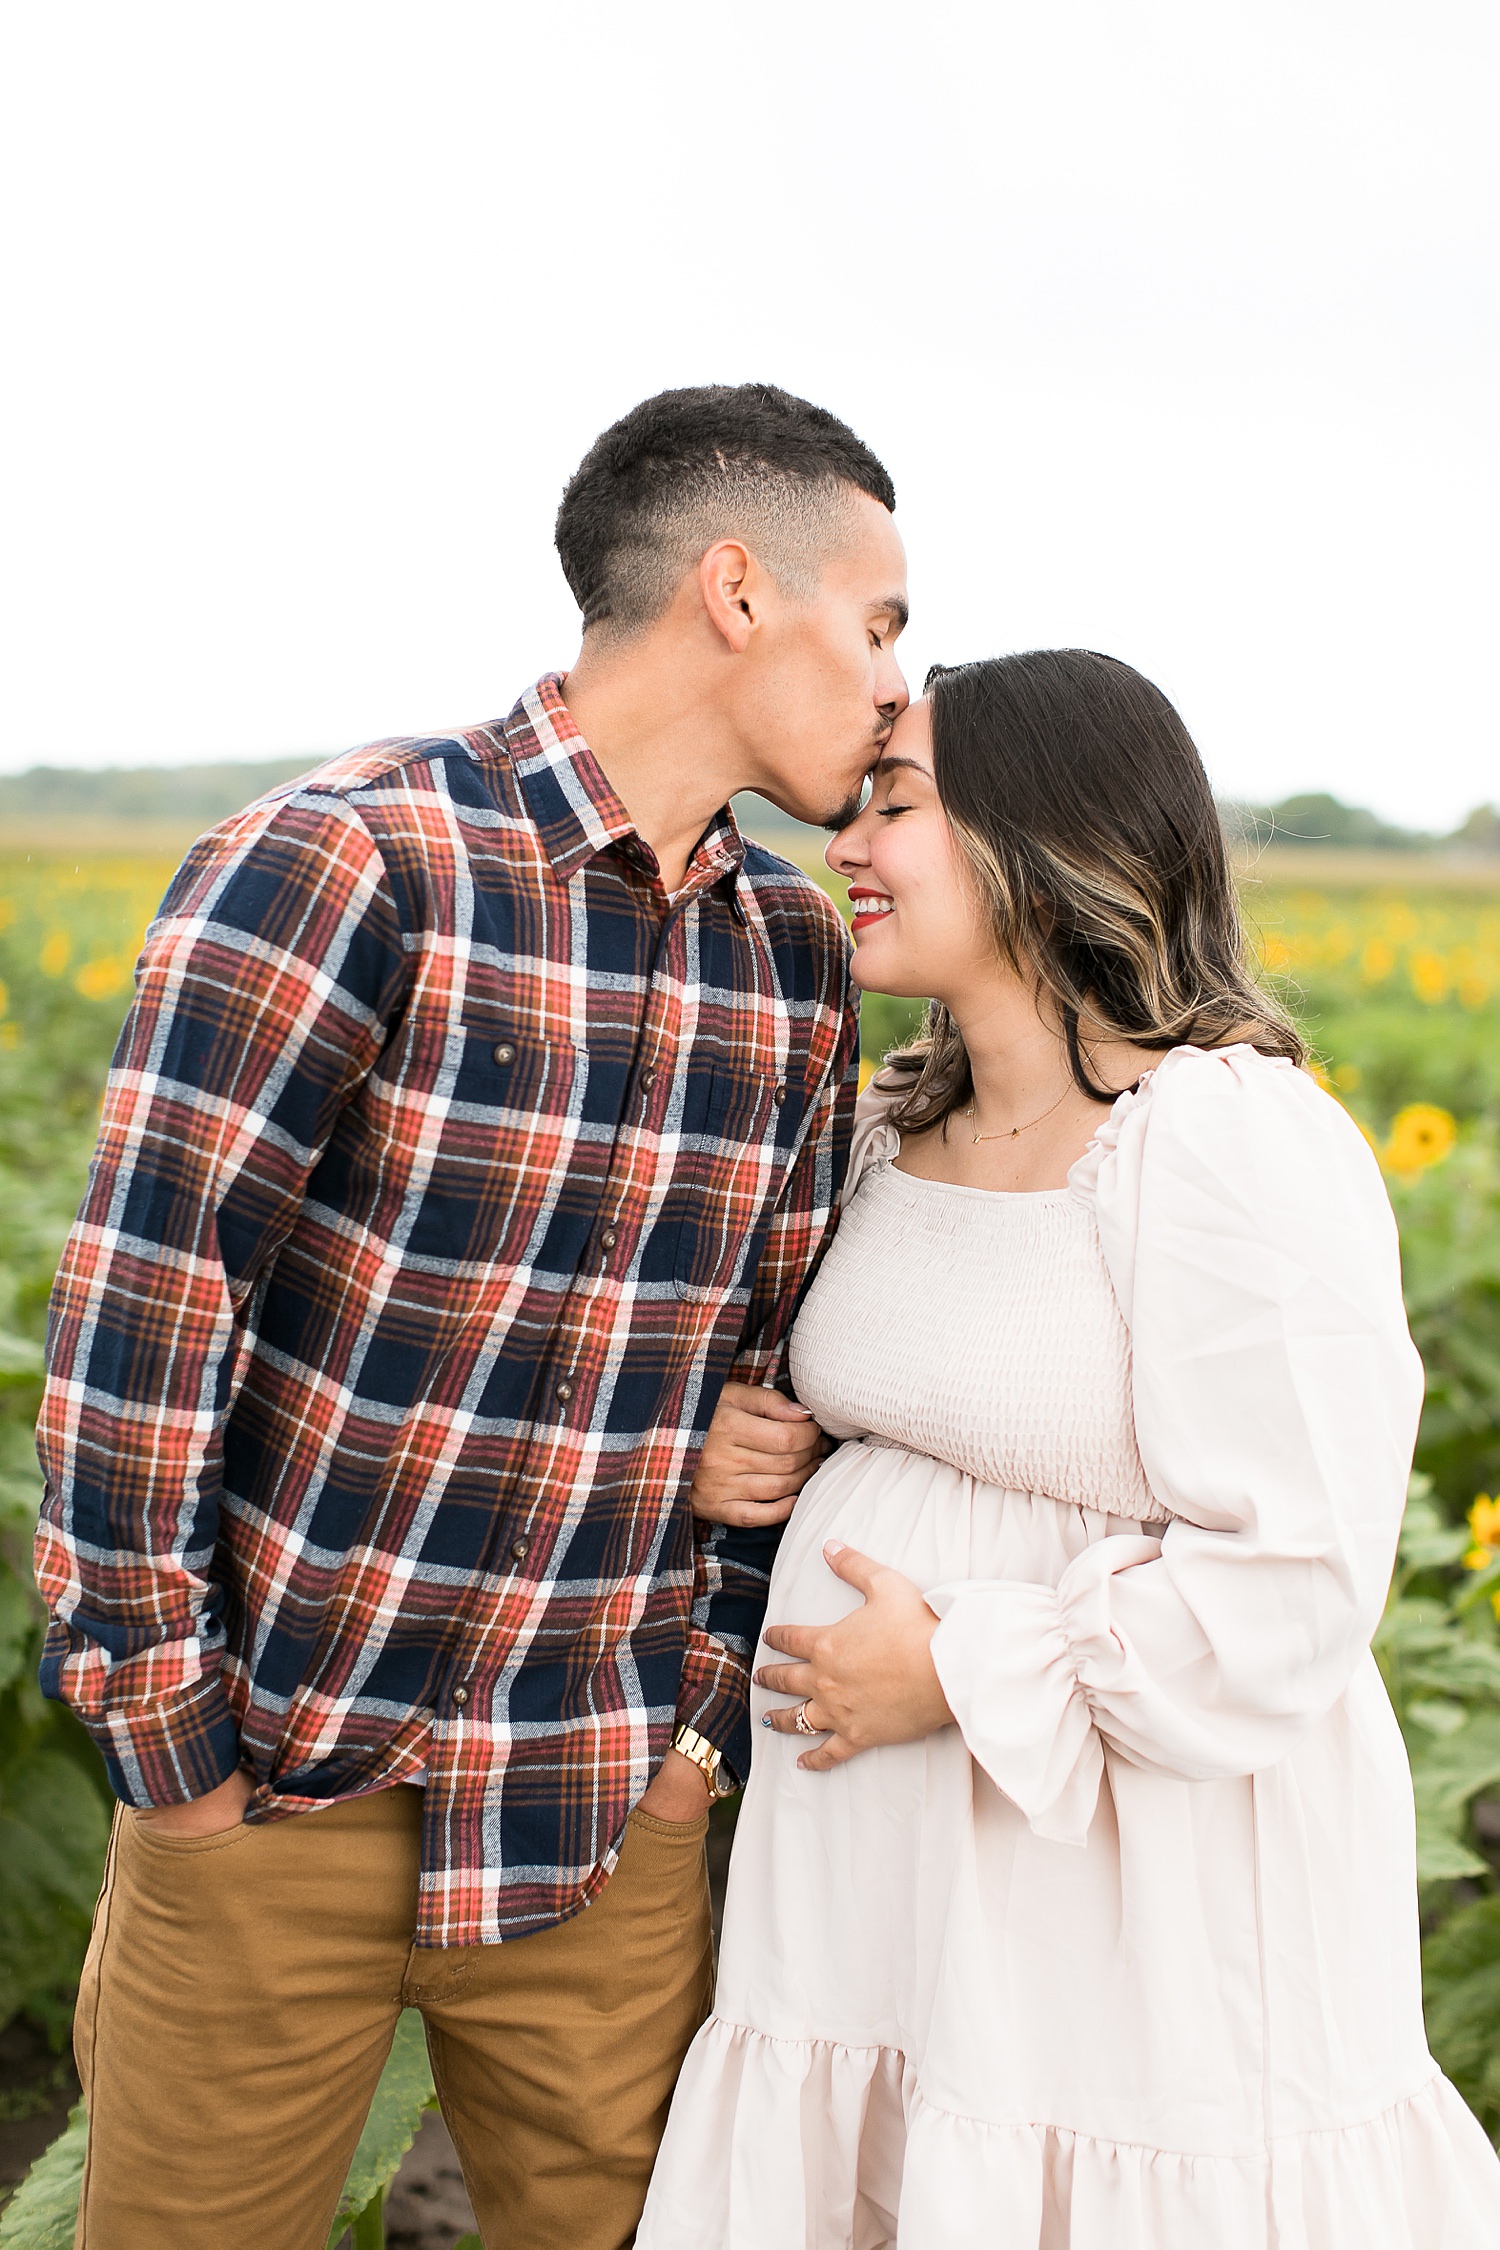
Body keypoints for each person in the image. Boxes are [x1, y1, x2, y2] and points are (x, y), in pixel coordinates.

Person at [32, 381, 910, 2249]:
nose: (901, 681)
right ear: (741, 593)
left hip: (603, 1810)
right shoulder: (349, 862)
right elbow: (142, 1331)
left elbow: (769, 1372)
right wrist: (177, 1764)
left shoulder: (798, 959)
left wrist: (695, 1745)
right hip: (271, 1790)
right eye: (883, 619)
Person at [641, 651, 1500, 2248]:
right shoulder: (893, 1122)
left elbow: (1298, 1579)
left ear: (1043, 844)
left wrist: (963, 1662)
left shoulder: (1229, 1140)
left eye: (896, 804)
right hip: (871, 1917)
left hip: (1123, 1904)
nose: (844, 840)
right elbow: (934, 1398)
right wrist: (758, 1444)